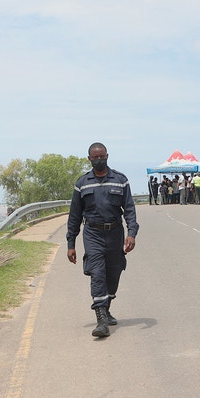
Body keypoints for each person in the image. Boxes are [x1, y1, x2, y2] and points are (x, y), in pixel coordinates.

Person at [67, 142, 139, 338]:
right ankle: (101, 320)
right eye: (95, 157)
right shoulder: (82, 184)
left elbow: (130, 210)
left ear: (107, 156)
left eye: (102, 156)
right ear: (89, 159)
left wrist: (131, 233)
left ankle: (106, 308)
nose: (99, 160)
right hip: (92, 234)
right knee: (97, 272)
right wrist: (71, 244)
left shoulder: (120, 180)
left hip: (115, 233)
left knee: (113, 273)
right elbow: (74, 216)